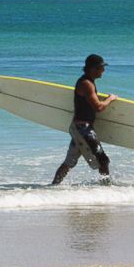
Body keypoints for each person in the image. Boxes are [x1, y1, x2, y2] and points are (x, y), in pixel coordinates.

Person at [52, 54, 118, 186]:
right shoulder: (86, 84)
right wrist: (110, 98)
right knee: (103, 160)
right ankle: (107, 189)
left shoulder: (87, 82)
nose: (103, 71)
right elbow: (98, 107)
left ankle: (53, 186)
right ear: (93, 68)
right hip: (83, 129)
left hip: (79, 128)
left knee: (69, 162)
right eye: (101, 68)